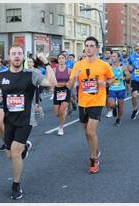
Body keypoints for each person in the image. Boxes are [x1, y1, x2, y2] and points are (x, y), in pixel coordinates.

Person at [0, 45, 57, 200]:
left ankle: (16, 184)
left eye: (20, 54)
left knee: (15, 152)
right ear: (9, 57)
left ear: (23, 57)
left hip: (26, 119)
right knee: (9, 154)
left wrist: (46, 63)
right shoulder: (2, 76)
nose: (17, 56)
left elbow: (52, 82)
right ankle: (25, 147)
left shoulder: (31, 74)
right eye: (14, 54)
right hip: (9, 119)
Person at [68, 36, 115, 174]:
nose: (88, 48)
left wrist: (105, 83)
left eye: (91, 46)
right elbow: (69, 85)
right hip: (83, 102)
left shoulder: (103, 65)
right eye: (87, 46)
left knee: (90, 131)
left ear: (96, 48)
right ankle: (96, 150)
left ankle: (93, 159)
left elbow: (112, 79)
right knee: (86, 133)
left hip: (97, 101)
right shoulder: (78, 65)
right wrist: (74, 77)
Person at [107, 52, 131, 126]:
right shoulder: (109, 66)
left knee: (121, 106)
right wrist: (107, 81)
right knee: (111, 105)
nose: (112, 58)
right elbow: (104, 76)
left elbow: (129, 76)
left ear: (118, 58)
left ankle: (118, 119)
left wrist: (124, 78)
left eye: (114, 56)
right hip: (112, 88)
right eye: (112, 56)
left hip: (121, 89)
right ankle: (114, 108)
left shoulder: (122, 66)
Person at [53, 53, 71, 136]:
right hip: (57, 91)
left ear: (65, 59)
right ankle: (63, 112)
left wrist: (67, 84)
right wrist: (52, 86)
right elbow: (51, 80)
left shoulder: (69, 70)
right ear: (58, 60)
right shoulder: (54, 70)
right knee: (56, 113)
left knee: (61, 111)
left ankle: (61, 128)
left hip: (66, 91)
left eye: (62, 58)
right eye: (59, 58)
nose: (61, 60)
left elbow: (71, 82)